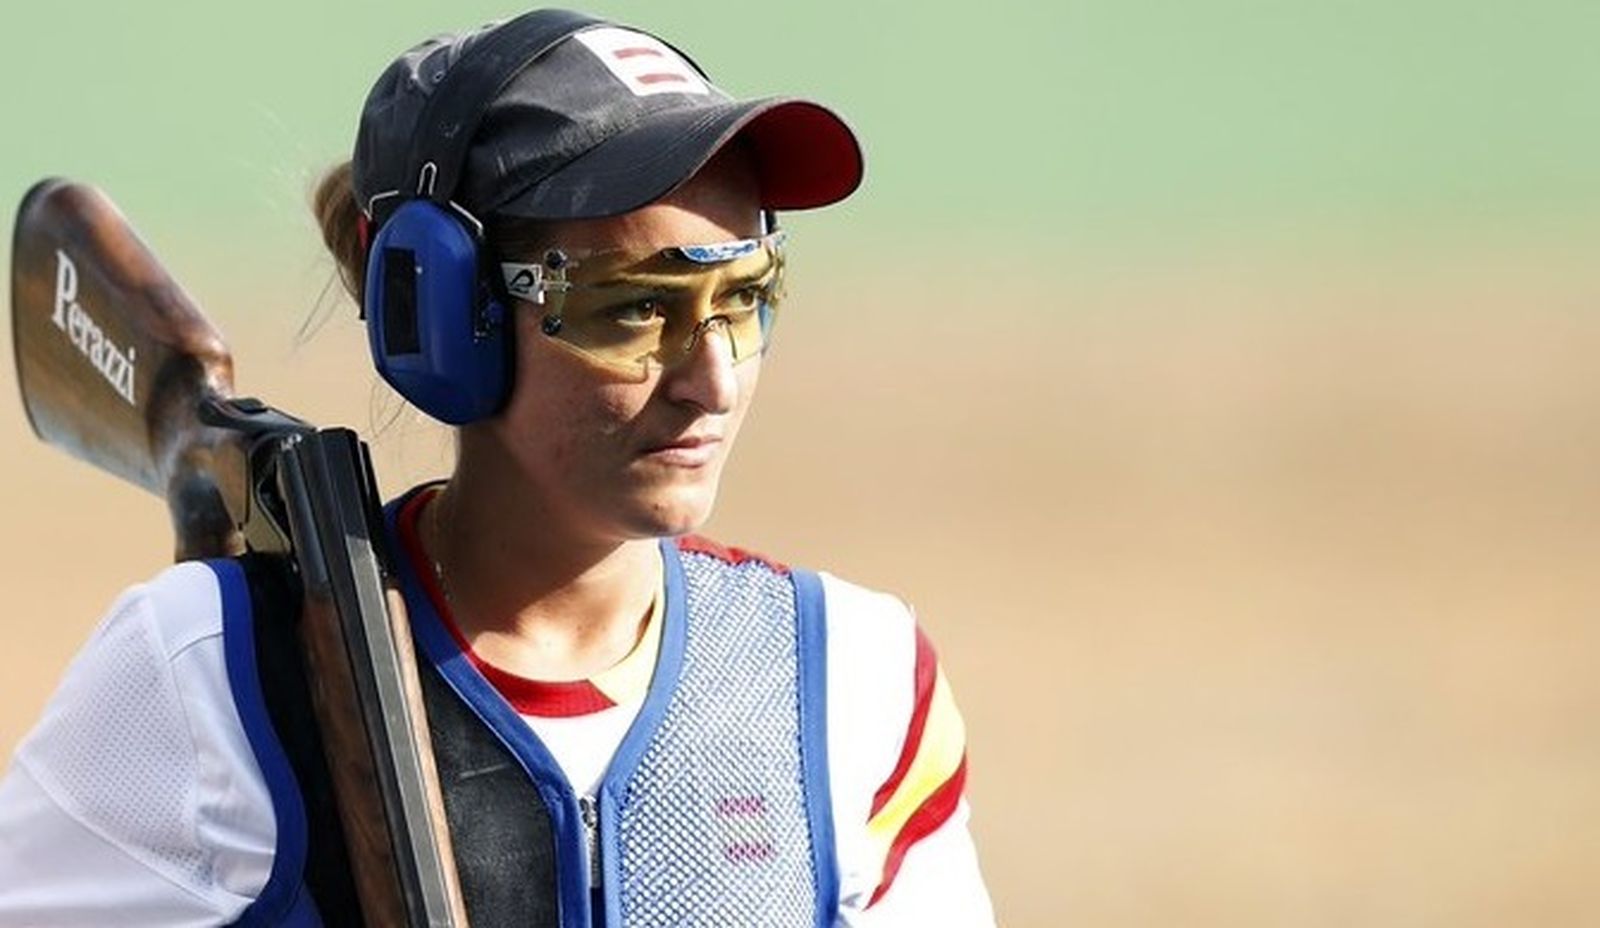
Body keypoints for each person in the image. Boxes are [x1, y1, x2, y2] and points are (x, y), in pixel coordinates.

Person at [0, 9, 994, 926]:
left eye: (743, 297)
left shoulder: (855, 680)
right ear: (447, 316)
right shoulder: (208, 667)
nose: (714, 381)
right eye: (634, 307)